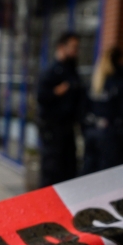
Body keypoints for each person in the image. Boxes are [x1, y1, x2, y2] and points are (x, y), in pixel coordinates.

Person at [37, 32, 83, 187]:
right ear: (62, 47)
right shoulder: (50, 72)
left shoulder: (73, 71)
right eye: (73, 47)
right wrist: (56, 92)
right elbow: (41, 97)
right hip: (52, 131)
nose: (76, 51)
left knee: (69, 171)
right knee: (51, 172)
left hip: (68, 130)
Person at [81, 46, 123, 175]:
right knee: (107, 177)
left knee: (88, 173)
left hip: (92, 133)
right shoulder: (120, 83)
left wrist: (86, 130)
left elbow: (82, 110)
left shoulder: (95, 82)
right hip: (111, 137)